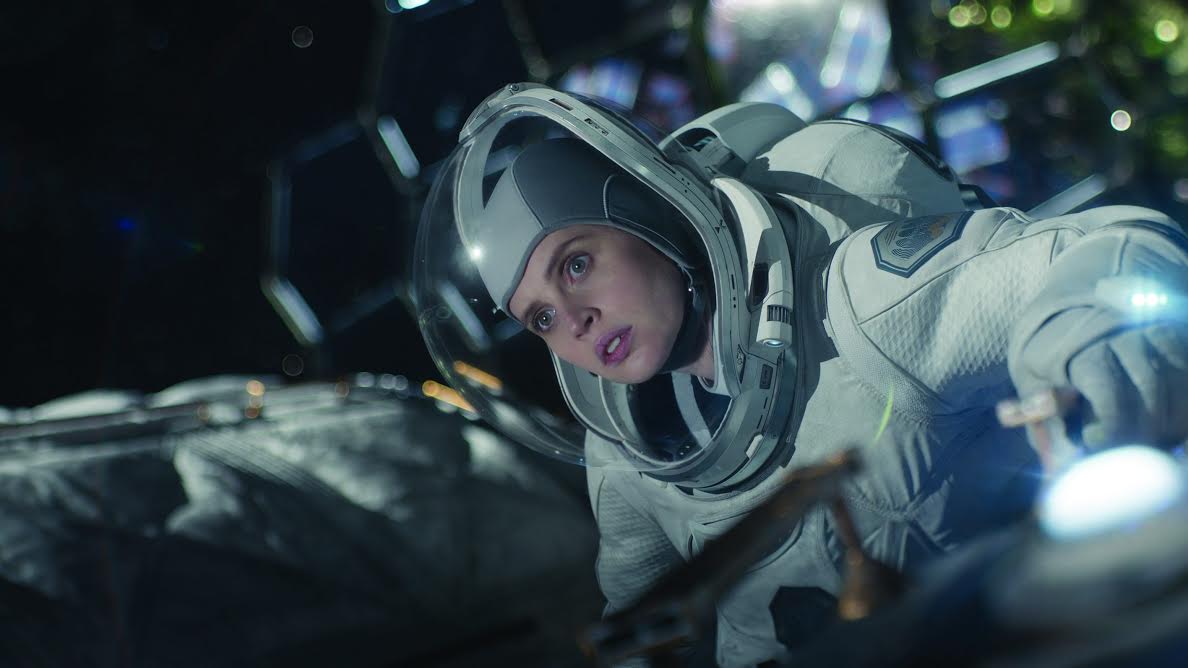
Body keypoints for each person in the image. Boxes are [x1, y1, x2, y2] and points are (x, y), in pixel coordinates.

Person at [412, 82, 1188, 667]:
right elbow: (642, 627)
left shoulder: (860, 305)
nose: (573, 322)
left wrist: (1088, 343)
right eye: (541, 318)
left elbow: (1111, 251)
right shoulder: (628, 460)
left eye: (576, 264)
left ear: (648, 214)